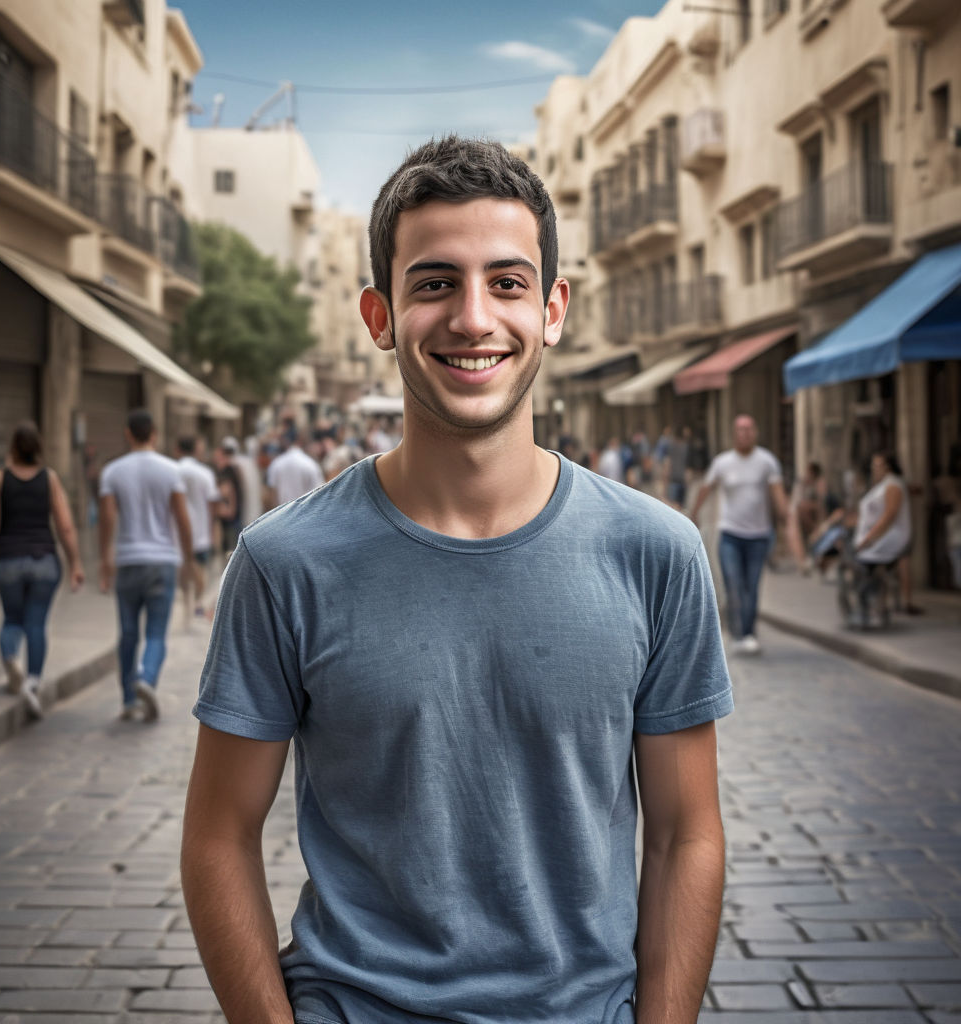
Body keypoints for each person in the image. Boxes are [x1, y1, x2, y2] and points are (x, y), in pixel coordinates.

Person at [181, 135, 733, 1024]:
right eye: (435, 283)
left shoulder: (657, 553)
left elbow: (684, 836)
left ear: (552, 309)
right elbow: (218, 836)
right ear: (380, 315)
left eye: (507, 283)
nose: (473, 317)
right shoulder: (283, 563)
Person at [0, 422, 84, 717]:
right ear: (39, 447)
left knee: (12, 620)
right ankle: (32, 683)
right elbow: (65, 526)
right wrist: (75, 563)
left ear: (12, 447)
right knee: (36, 624)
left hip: (8, 560)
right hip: (43, 561)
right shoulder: (49, 479)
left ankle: (11, 657)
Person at [98, 409, 192, 722]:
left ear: (128, 433)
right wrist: (189, 560)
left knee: (127, 634)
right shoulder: (170, 470)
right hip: (163, 560)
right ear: (154, 434)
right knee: (155, 634)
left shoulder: (112, 472)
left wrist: (105, 559)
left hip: (128, 560)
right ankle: (147, 678)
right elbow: (181, 518)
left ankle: (128, 699)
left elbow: (108, 519)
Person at [690, 414, 789, 655]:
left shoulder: (767, 461)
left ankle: (749, 633)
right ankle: (736, 632)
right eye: (740, 430)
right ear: (734, 434)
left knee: (752, 586)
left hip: (759, 536)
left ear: (755, 432)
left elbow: (777, 493)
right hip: (730, 534)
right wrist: (692, 515)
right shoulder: (722, 462)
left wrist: (785, 521)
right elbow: (706, 488)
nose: (744, 434)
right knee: (733, 584)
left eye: (748, 429)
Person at [851, 451, 912, 626]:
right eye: (873, 465)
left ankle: (869, 607)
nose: (874, 469)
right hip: (879, 536)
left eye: (878, 465)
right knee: (870, 569)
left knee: (866, 566)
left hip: (890, 537)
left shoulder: (893, 485)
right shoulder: (882, 484)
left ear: (888, 466)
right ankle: (877, 607)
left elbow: (889, 516)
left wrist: (869, 538)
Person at [175, 436, 221, 623]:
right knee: (199, 567)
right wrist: (214, 528)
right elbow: (213, 503)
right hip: (200, 529)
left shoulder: (173, 471)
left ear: (178, 449)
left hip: (177, 529)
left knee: (185, 568)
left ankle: (187, 604)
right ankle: (197, 603)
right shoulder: (205, 473)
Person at [263, 426, 324, 509]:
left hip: (281, 516)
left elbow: (270, 496)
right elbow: (319, 494)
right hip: (305, 515)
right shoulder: (311, 464)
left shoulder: (276, 463)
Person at [213, 439, 243, 557]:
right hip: (232, 515)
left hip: (230, 516)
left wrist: (231, 509)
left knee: (230, 549)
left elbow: (229, 491)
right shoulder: (232, 469)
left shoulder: (227, 470)